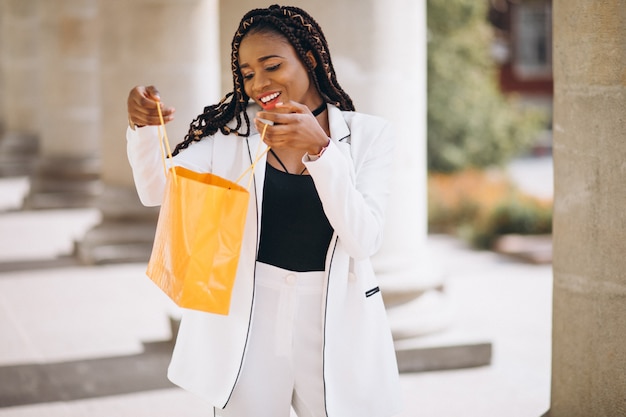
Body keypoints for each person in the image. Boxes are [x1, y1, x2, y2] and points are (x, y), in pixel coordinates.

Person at [126, 5, 402, 417]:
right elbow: (156, 191)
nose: (259, 84)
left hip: (335, 318)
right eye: (248, 73)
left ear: (308, 58)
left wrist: (320, 151)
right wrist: (144, 130)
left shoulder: (368, 136)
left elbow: (364, 239)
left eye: (272, 66)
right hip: (249, 314)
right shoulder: (232, 135)